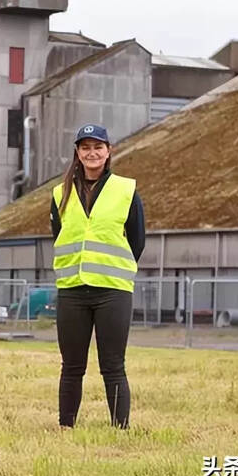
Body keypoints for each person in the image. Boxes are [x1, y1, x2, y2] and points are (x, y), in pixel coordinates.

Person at [50, 123, 145, 429]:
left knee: (113, 366)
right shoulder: (59, 193)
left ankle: (120, 428)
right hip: (72, 290)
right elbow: (58, 235)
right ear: (77, 153)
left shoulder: (126, 190)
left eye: (98, 147)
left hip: (112, 291)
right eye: (85, 148)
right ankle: (66, 426)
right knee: (72, 366)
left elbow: (137, 240)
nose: (92, 153)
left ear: (108, 151)